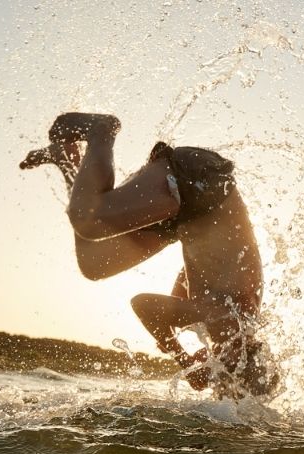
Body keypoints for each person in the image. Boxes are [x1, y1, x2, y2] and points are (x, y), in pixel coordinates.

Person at [20, 112, 275, 397]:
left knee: (93, 264)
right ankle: (101, 131)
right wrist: (181, 356)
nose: (213, 388)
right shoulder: (227, 320)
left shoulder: (237, 319)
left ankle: (68, 161)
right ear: (231, 368)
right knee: (88, 220)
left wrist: (179, 320)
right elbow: (144, 305)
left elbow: (189, 275)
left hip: (187, 216)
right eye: (221, 388)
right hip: (200, 184)